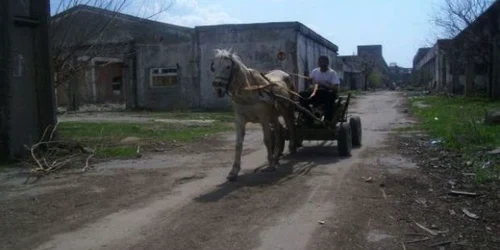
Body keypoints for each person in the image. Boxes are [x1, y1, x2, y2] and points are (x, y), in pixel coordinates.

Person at [300, 55, 341, 122]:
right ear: (318, 63)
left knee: (329, 100)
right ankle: (308, 115)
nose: (322, 64)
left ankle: (328, 120)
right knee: (302, 95)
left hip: (327, 94)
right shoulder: (315, 71)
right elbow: (311, 84)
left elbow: (336, 88)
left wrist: (324, 85)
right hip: (316, 93)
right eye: (321, 62)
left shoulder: (332, 73)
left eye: (324, 62)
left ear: (327, 63)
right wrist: (310, 81)